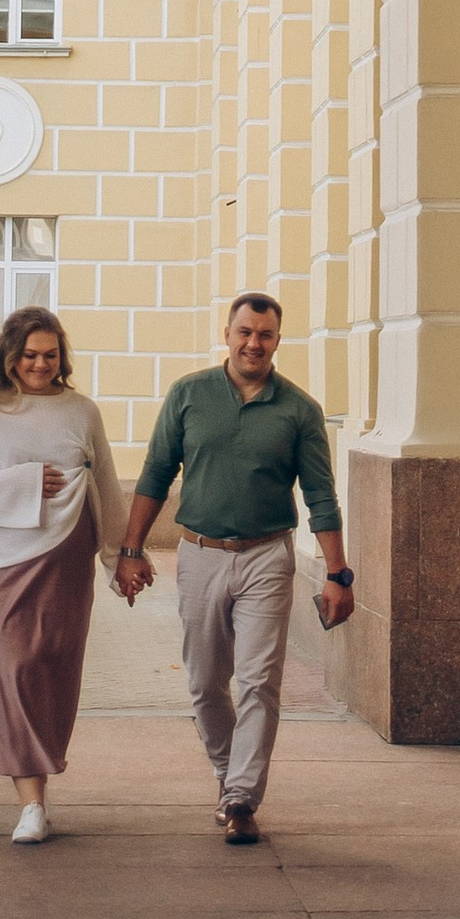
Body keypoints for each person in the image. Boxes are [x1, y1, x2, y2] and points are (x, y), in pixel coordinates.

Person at [112, 292, 353, 845]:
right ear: (228, 334)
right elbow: (154, 475)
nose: (254, 343)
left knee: (260, 681)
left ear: (277, 341)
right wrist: (131, 549)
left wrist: (339, 575)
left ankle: (242, 797)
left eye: (265, 335)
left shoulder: (299, 410)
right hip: (199, 554)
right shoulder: (189, 395)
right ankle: (228, 777)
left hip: (268, 556)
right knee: (203, 682)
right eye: (245, 332)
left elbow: (321, 496)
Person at [0, 304, 126, 843]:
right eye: (29, 355)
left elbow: (108, 486)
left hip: (68, 556)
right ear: (9, 355)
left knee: (54, 668)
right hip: (1, 560)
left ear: (61, 357)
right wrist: (25, 482)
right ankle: (31, 803)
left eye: (50, 355)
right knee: (16, 668)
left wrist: (122, 558)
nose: (40, 365)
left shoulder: (82, 411)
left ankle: (41, 784)